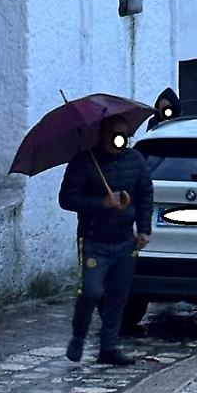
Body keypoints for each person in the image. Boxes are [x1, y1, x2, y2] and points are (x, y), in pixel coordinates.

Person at [58, 115, 154, 366]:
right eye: (115, 134)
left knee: (118, 296)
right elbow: (67, 198)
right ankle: (78, 336)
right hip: (93, 240)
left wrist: (144, 229)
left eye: (124, 134)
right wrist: (101, 203)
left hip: (124, 241)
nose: (120, 139)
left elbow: (145, 193)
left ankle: (108, 347)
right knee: (91, 292)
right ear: (104, 134)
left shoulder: (135, 161)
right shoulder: (85, 162)